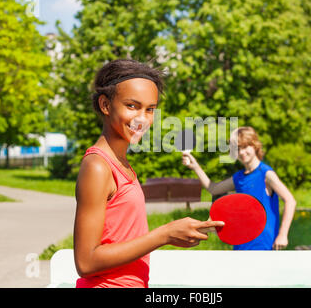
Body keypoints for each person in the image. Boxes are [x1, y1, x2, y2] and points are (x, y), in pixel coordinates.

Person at [73, 59, 224, 288]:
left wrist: (181, 232)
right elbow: (86, 261)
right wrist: (164, 234)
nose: (142, 119)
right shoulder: (97, 166)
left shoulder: (121, 163)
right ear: (105, 104)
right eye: (132, 106)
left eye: (150, 109)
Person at [182, 126, 296, 251]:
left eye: (245, 146)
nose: (241, 152)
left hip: (264, 245)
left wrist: (283, 234)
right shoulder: (238, 177)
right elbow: (213, 189)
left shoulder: (266, 174)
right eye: (237, 148)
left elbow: (290, 200)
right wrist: (195, 167)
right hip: (241, 244)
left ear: (255, 146)